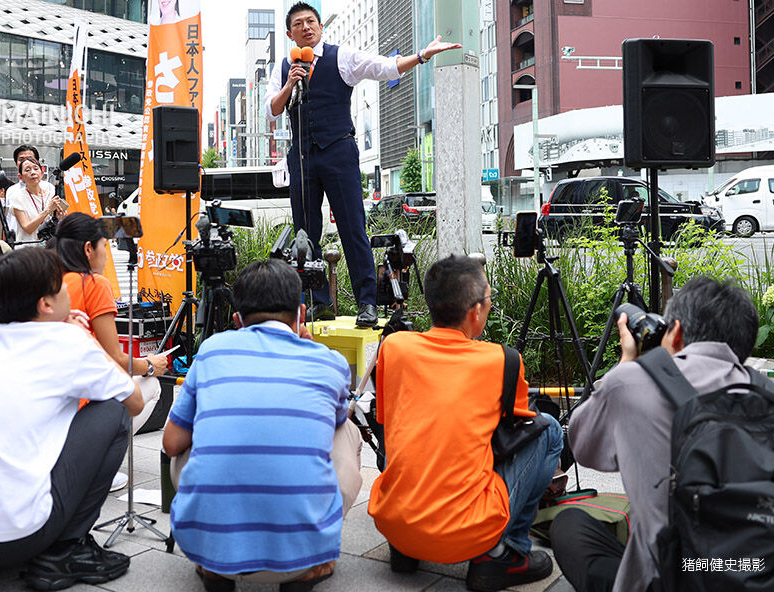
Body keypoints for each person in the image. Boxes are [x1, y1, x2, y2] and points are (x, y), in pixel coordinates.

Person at [0, 247, 142, 589]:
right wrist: (84, 339)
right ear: (46, 304)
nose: (67, 291)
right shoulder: (68, 341)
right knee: (112, 411)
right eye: (61, 286)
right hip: (17, 538)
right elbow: (134, 402)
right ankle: (65, 551)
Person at [549, 278, 774, 592]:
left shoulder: (631, 383)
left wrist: (626, 363)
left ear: (677, 331)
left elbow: (583, 448)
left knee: (569, 524)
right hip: (762, 574)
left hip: (669, 579)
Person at [162, 258, 363, 592]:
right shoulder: (329, 361)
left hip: (207, 548)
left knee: (190, 437)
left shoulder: (211, 351)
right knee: (345, 428)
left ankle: (215, 563)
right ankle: (309, 562)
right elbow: (334, 420)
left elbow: (171, 443)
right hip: (303, 553)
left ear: (237, 320)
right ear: (301, 313)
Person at [368, 255, 562, 592]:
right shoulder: (501, 360)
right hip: (466, 533)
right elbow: (518, 427)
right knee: (550, 431)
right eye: (488, 298)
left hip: (393, 522)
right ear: (475, 312)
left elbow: (385, 422)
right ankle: (504, 553)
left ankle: (406, 546)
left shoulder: (395, 347)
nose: (490, 305)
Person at [264, 2, 461, 327]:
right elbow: (271, 110)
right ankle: (318, 302)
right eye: (299, 24)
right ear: (290, 33)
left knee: (352, 228)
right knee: (305, 234)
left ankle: (367, 303)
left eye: (311, 21)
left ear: (320, 27)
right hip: (301, 155)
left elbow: (383, 67)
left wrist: (422, 55)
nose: (306, 27)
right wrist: (289, 84)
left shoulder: (341, 56)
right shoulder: (284, 66)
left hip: (338, 151)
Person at [51, 212, 166, 490]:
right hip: (79, 407)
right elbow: (114, 358)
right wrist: (151, 364)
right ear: (88, 249)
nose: (106, 254)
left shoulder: (48, 280)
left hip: (48, 405)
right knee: (151, 384)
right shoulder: (94, 284)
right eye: (104, 245)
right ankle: (97, 463)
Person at [7, 156, 66, 246]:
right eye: (27, 170)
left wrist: (59, 217)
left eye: (36, 169)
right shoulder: (17, 197)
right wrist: (47, 210)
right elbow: (27, 228)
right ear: (20, 177)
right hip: (27, 249)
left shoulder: (50, 194)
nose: (33, 172)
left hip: (48, 248)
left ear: (42, 173)